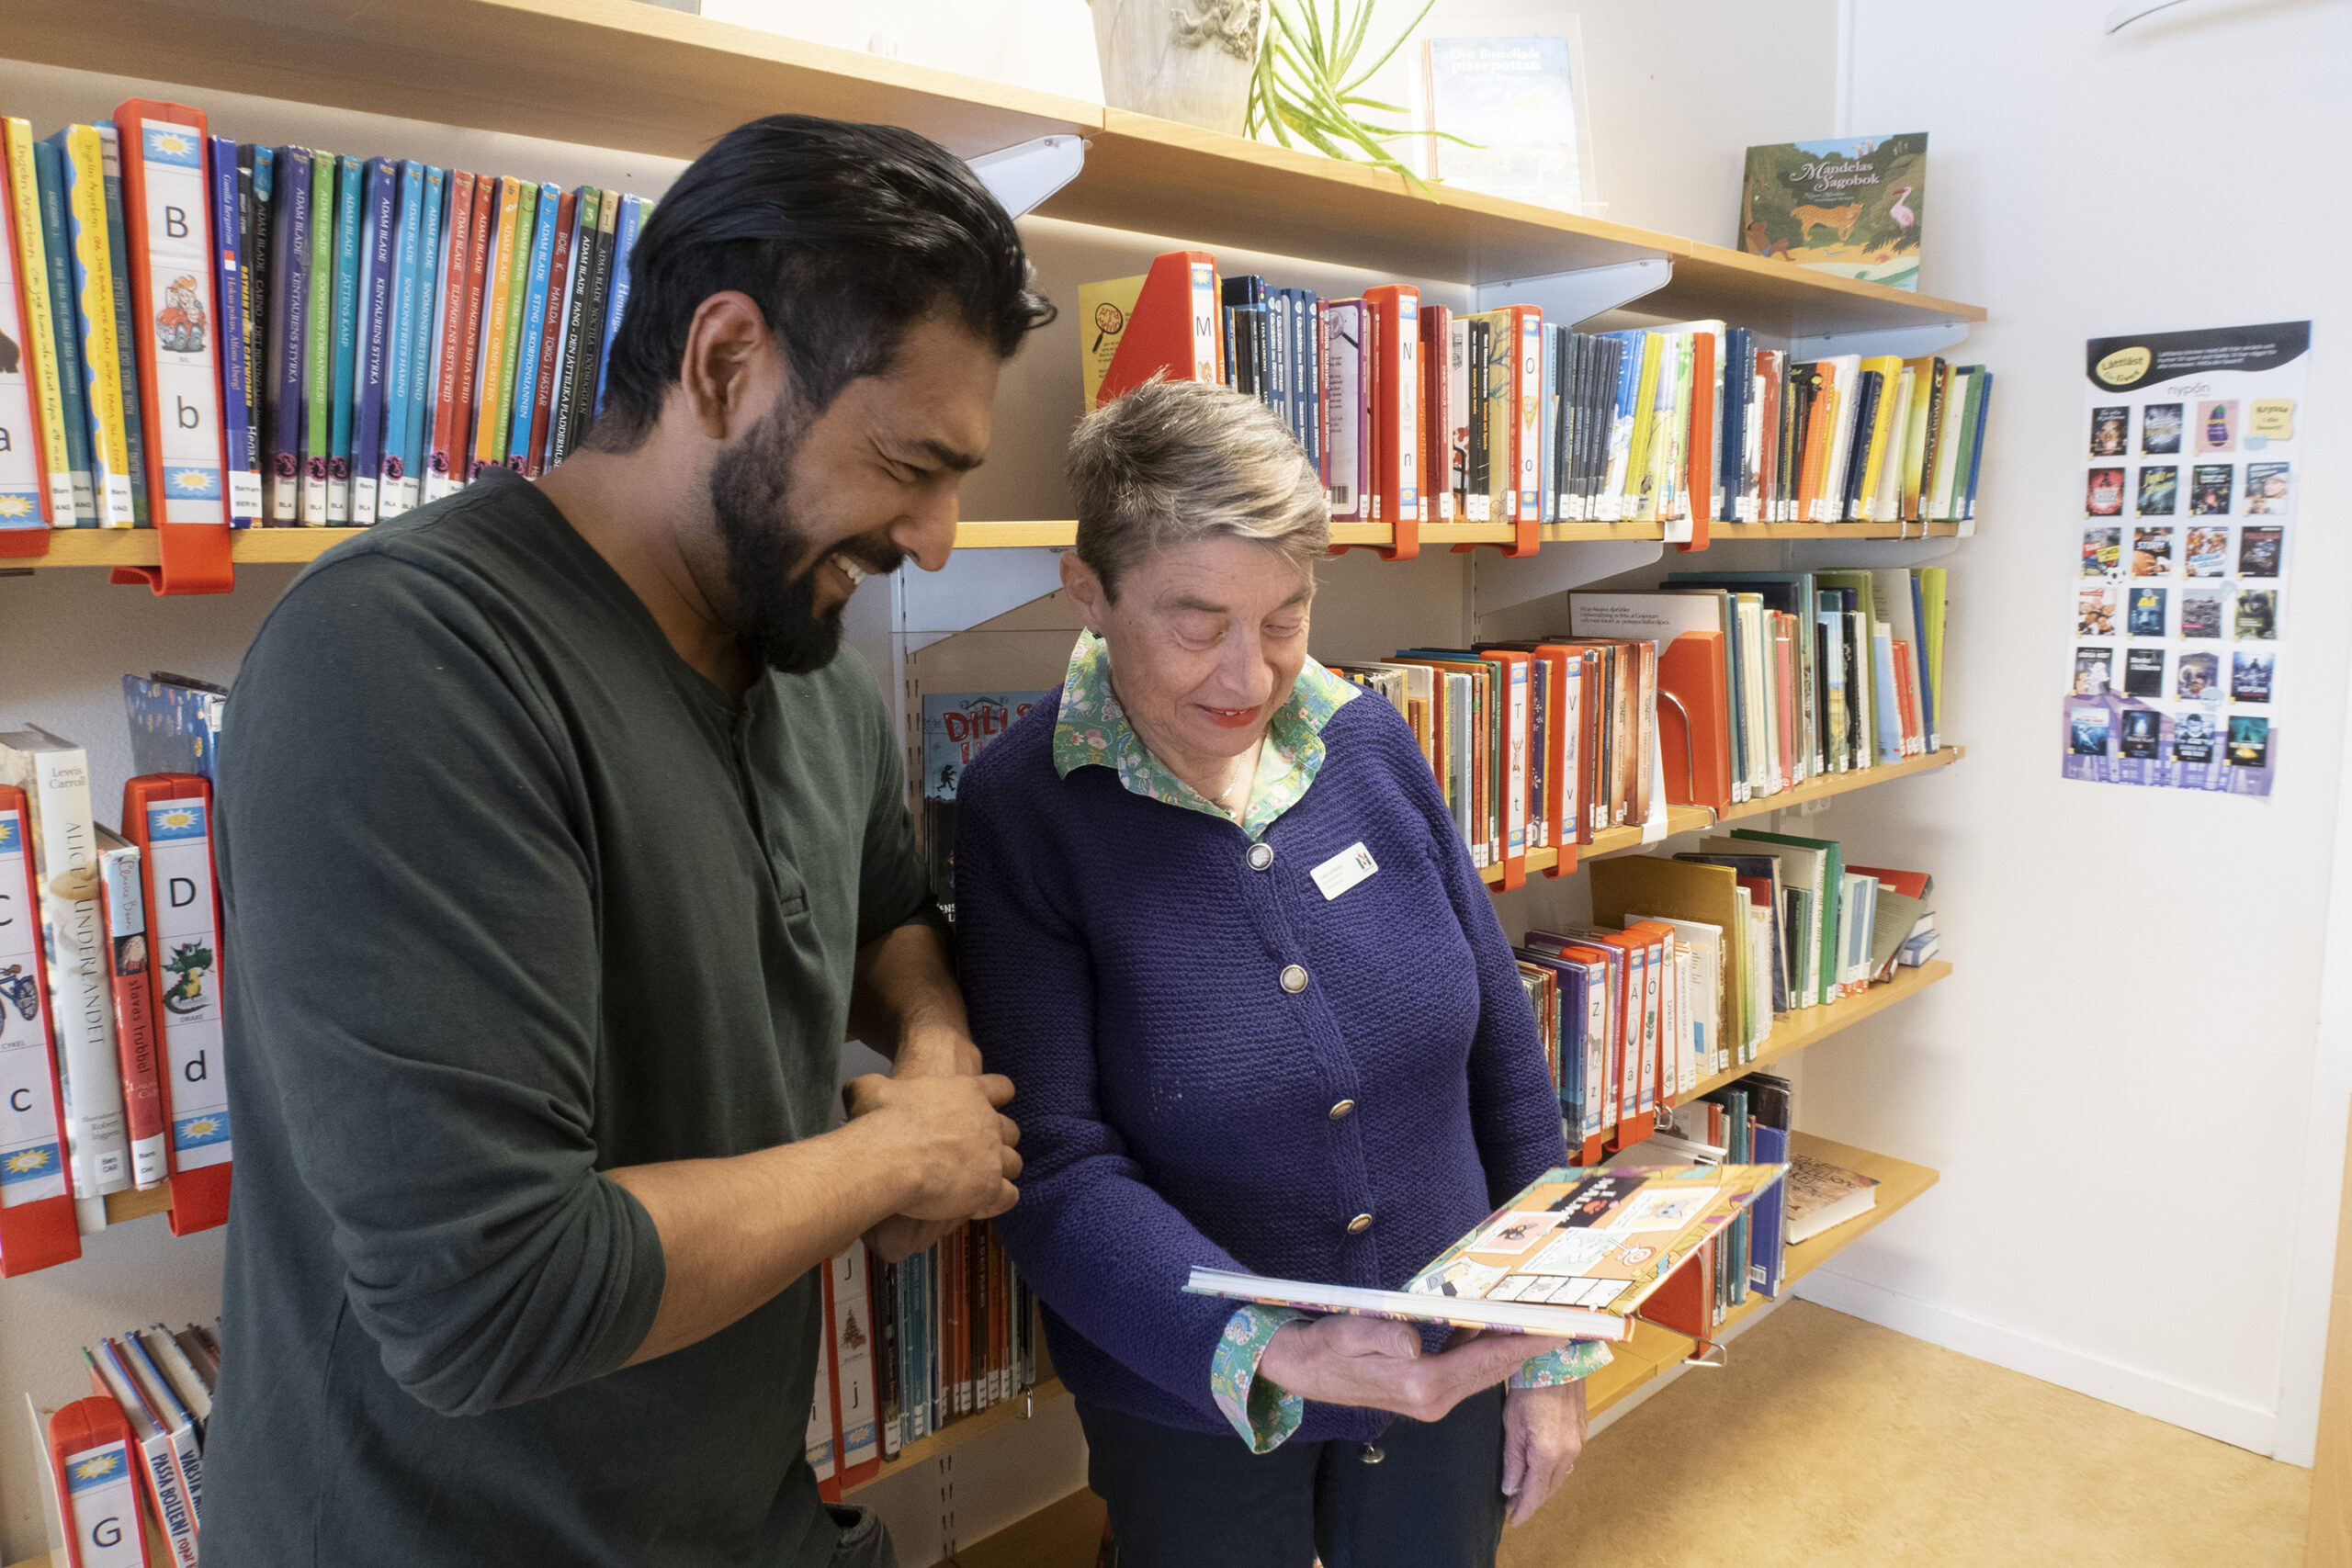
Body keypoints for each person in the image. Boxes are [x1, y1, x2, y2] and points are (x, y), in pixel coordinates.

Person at [201, 115, 1052, 1568]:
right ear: (726, 364)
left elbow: (883, 917)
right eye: (911, 462)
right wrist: (899, 1156)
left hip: (738, 1516)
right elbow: (493, 1295)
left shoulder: (808, 662)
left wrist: (925, 1044)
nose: (939, 539)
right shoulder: (407, 660)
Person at [954, 379, 1608, 1568]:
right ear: (1088, 590)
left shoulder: (1367, 738)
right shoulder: (1023, 806)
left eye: (1286, 620)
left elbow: (1500, 1057)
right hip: (1190, 1388)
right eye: (1196, 624)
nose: (1249, 678)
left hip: (1446, 1346)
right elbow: (1052, 1162)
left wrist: (1547, 1344)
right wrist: (1270, 1345)